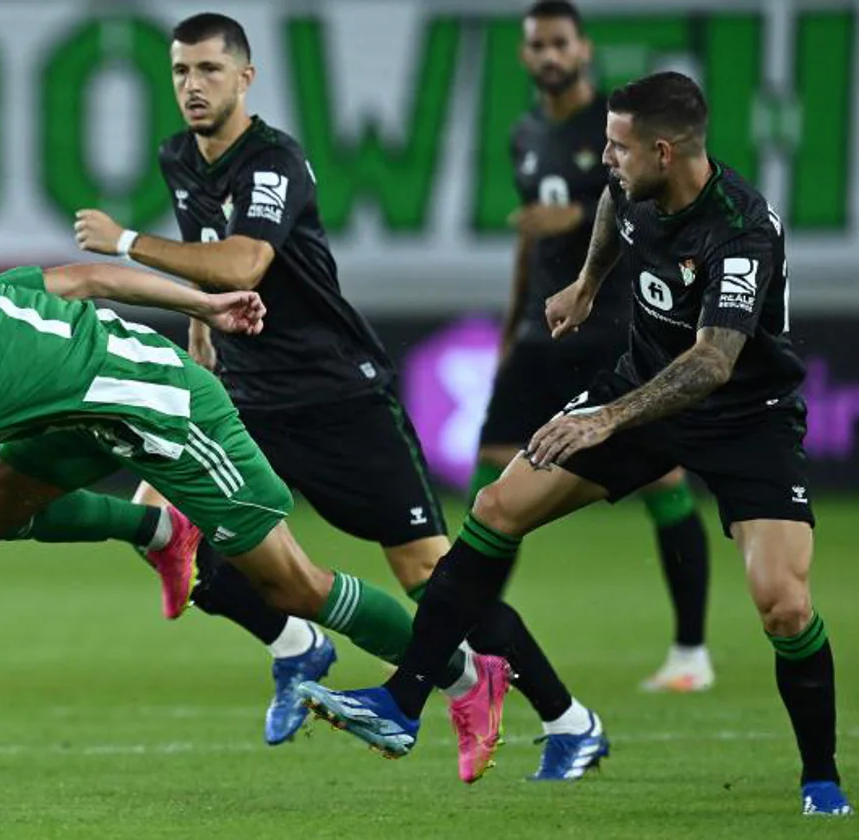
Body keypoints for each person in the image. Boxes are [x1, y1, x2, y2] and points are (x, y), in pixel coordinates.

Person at [296, 71, 853, 816]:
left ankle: (821, 777)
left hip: (745, 418)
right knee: (496, 507)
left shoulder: (741, 229)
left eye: (619, 147)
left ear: (664, 150)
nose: (605, 158)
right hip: (641, 390)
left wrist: (608, 418)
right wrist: (589, 282)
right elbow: (610, 206)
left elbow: (713, 362)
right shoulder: (633, 185)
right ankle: (402, 704)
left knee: (782, 607)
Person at [69, 11, 604, 782]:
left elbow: (244, 262)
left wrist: (124, 243)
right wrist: (200, 346)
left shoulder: (274, 161)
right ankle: (294, 645)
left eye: (209, 71)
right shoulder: (178, 156)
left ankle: (568, 720)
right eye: (181, 71)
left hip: (337, 397)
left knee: (432, 576)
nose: (192, 85)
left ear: (245, 78)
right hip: (246, 401)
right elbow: (205, 276)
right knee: (167, 528)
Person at [0, 263, 427, 742]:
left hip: (163, 409)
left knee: (294, 587)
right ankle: (160, 530)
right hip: (96, 416)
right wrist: (199, 304)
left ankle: (454, 674)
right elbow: (86, 280)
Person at [483, 0, 713, 693]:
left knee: (661, 479)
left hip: (614, 327)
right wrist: (508, 326)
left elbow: (659, 205)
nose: (548, 55)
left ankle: (690, 652)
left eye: (560, 43)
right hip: (538, 329)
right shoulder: (524, 133)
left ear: (582, 49)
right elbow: (530, 238)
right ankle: (472, 633)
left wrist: (577, 216)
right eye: (537, 45)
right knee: (492, 483)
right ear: (526, 55)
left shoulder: (623, 132)